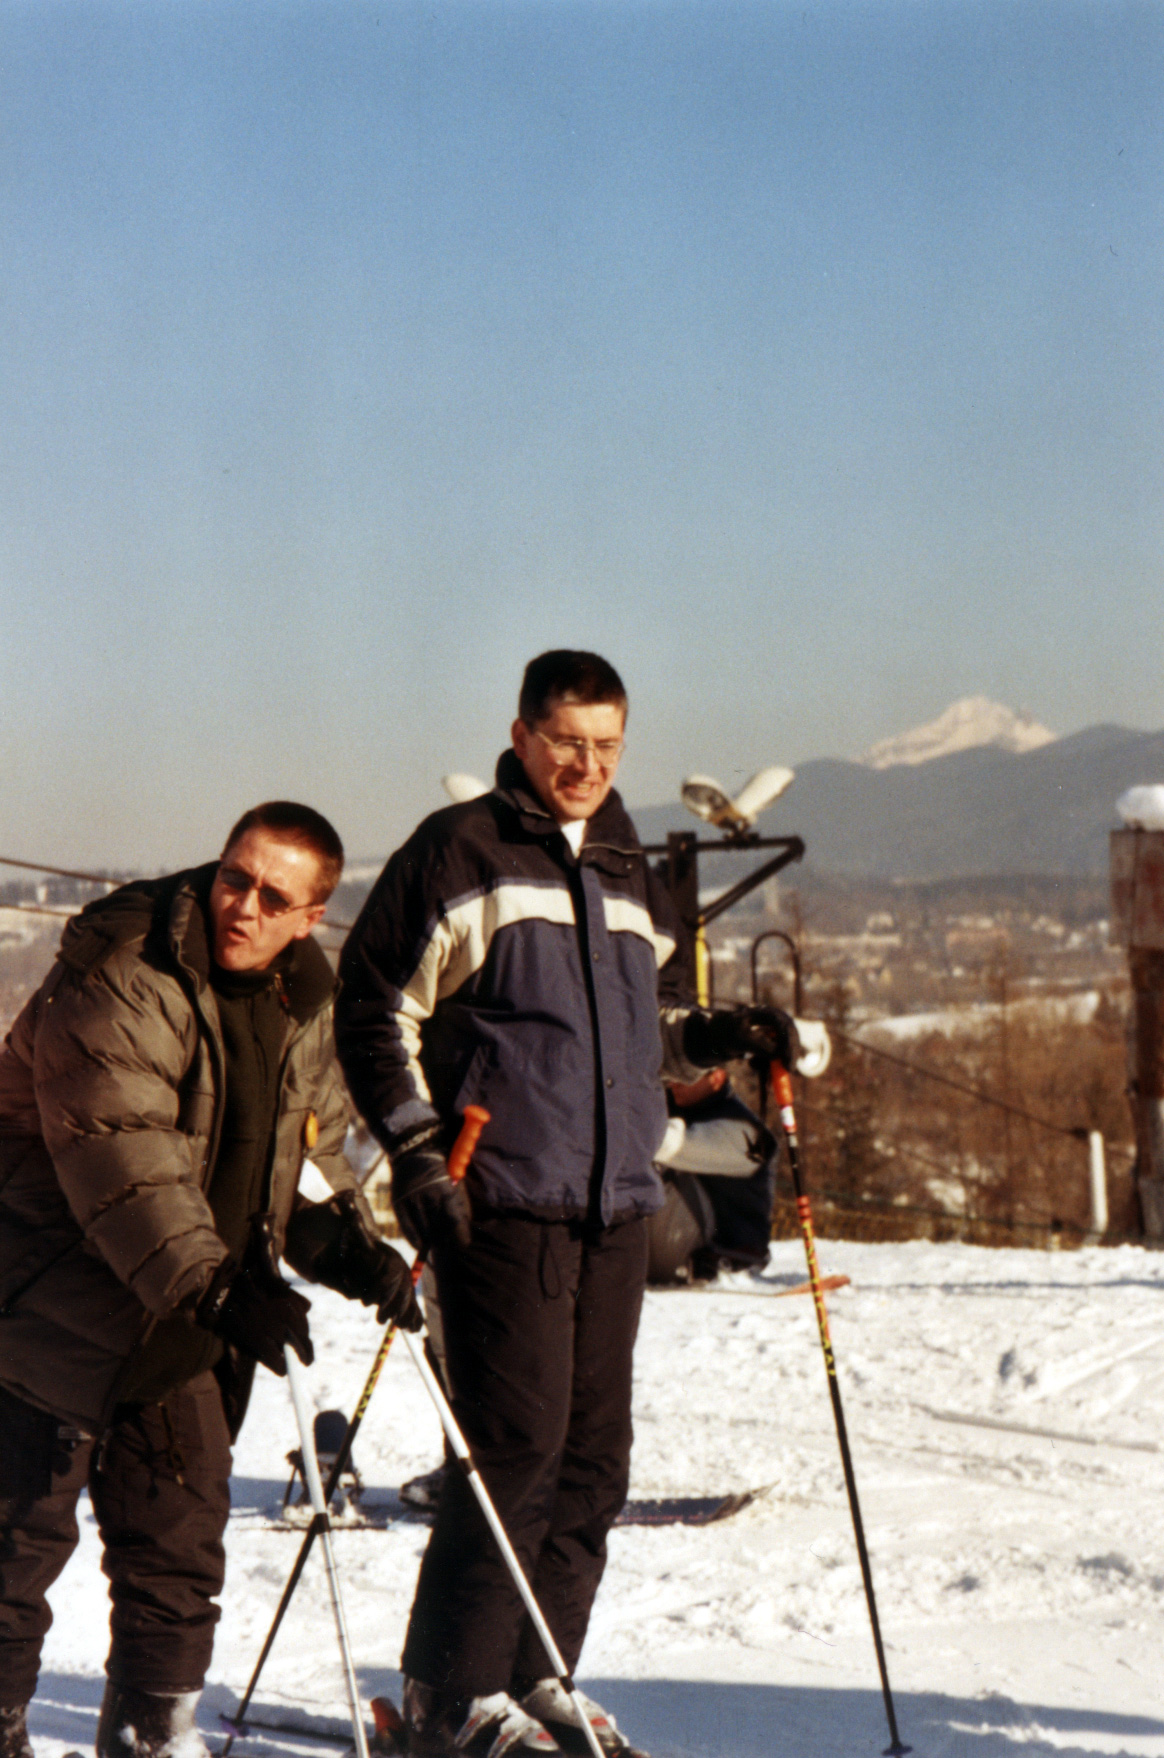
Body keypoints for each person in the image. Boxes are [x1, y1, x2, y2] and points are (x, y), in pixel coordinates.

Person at [336, 652, 795, 1758]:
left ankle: (538, 1671)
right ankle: (451, 1694)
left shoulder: (627, 859)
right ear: (522, 737)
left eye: (607, 746)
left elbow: (646, 1026)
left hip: (615, 1201)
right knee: (516, 1449)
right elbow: (372, 1006)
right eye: (566, 743)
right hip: (502, 1196)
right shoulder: (460, 850)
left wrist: (714, 1037)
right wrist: (418, 1153)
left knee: (594, 1459)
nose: (587, 766)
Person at [0, 801, 422, 1758]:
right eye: (236, 878)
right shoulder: (123, 975)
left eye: (274, 897)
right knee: (15, 1550)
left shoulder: (299, 1001)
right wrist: (219, 1288)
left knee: (178, 1552)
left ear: (311, 916)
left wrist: (349, 1246)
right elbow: (124, 1154)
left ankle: (157, 1734)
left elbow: (304, 1151)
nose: (244, 907)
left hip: (184, 1319)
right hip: (50, 1306)